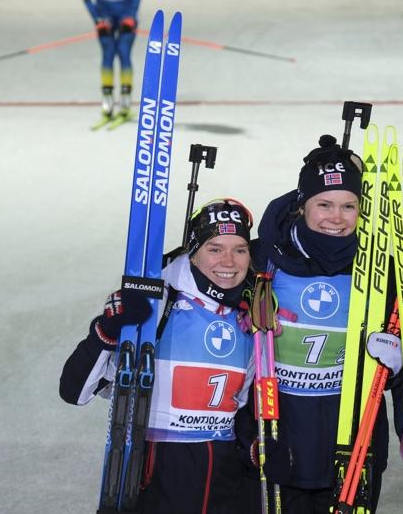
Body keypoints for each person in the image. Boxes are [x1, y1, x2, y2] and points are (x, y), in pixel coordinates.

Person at [60, 198, 256, 513]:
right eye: (215, 249)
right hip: (158, 474)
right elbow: (74, 391)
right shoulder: (157, 302)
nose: (229, 261)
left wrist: (253, 446)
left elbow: (244, 405)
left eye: (240, 249)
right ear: (193, 252)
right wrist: (108, 329)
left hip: (225, 481)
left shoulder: (251, 311)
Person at [248, 135, 390, 513]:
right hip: (281, 440)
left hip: (353, 445)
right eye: (324, 204)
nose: (336, 218)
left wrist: (397, 360)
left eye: (348, 206)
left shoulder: (378, 267)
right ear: (302, 205)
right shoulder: (263, 258)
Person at [81, 0, 142, 123]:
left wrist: (131, 16)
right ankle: (107, 105)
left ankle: (125, 104)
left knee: (123, 51)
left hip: (125, 12)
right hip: (104, 14)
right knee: (108, 53)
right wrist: (98, 19)